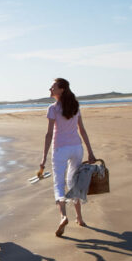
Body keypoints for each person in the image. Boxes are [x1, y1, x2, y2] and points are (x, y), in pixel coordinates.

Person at [39, 78, 96, 237]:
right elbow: (82, 130)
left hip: (60, 149)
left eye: (53, 86)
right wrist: (90, 152)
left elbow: (49, 134)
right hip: (77, 148)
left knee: (59, 184)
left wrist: (43, 158)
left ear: (61, 89)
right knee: (74, 182)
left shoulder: (53, 108)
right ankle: (79, 218)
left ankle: (63, 216)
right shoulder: (75, 106)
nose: (50, 88)